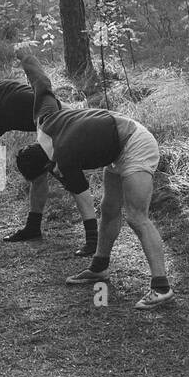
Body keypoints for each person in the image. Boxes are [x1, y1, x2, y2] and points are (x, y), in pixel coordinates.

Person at [14, 43, 173, 310]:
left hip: (135, 142)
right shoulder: (44, 121)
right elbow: (42, 82)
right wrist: (25, 57)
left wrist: (62, 177)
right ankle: (99, 268)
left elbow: (80, 192)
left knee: (136, 216)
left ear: (46, 167)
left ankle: (162, 287)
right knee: (109, 210)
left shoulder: (64, 158)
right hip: (113, 146)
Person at [0, 41, 98, 254]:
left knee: (70, 178)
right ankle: (34, 226)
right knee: (34, 166)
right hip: (52, 117)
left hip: (61, 122)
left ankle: (93, 239)